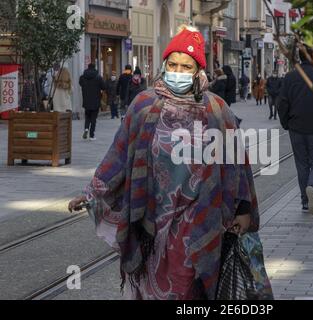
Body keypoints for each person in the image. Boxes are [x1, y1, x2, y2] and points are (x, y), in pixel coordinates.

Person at [68, 24, 272, 300]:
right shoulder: (143, 106)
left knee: (188, 288)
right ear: (164, 65)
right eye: (173, 64)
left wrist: (244, 209)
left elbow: (237, 166)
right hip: (151, 221)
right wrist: (92, 192)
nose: (178, 71)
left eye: (186, 66)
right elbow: (118, 154)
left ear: (198, 69)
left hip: (199, 220)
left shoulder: (216, 110)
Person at [278, 48, 313, 215]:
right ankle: (312, 186)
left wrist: (286, 123)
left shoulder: (290, 77)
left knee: (302, 165)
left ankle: (305, 201)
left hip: (297, 127)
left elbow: (282, 103)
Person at [79, 63, 106, 141]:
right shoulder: (98, 77)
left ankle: (86, 128)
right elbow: (104, 87)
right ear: (94, 68)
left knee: (87, 116)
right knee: (93, 118)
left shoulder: (83, 77)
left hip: (86, 100)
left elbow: (80, 83)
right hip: (95, 100)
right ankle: (91, 135)